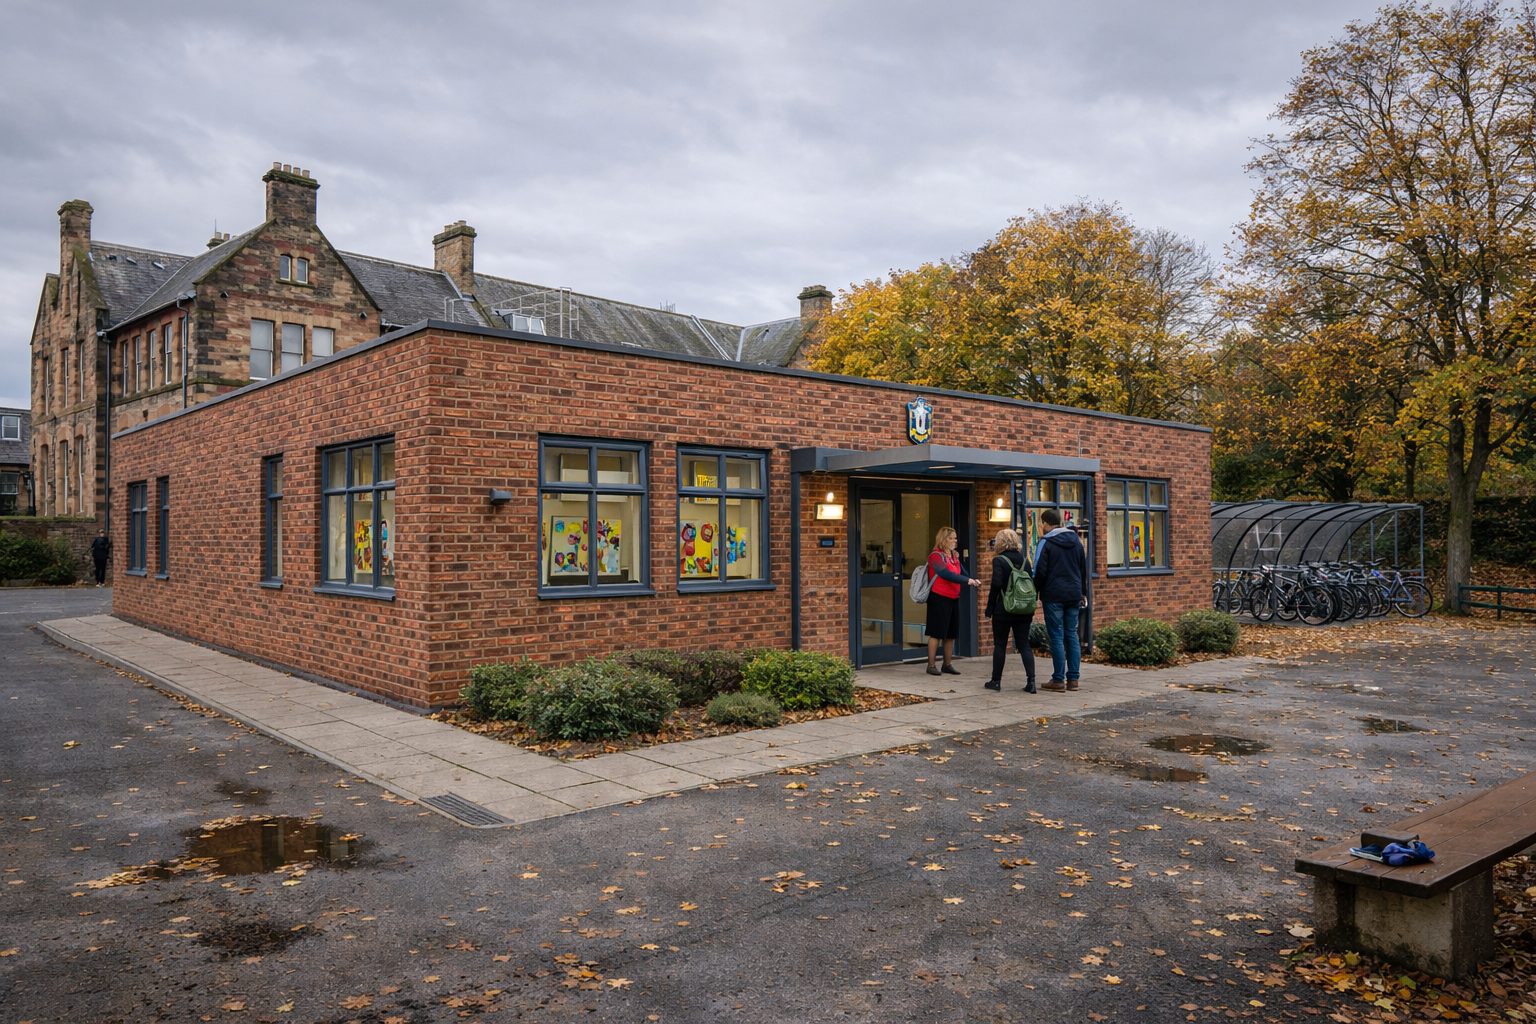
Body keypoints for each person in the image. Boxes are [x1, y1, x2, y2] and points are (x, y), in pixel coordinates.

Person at [1033, 508, 1087, 692]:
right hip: (1073, 594)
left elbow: (1039, 570)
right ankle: (1073, 680)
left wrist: (1035, 591)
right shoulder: (1076, 541)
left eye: (1041, 524)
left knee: (1056, 635)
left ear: (1046, 524)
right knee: (1071, 634)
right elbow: (1083, 570)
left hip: (1053, 595)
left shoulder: (1046, 542)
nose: (1041, 527)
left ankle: (1058, 680)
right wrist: (1083, 592)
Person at [984, 527, 1037, 693]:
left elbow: (996, 584)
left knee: (1000, 644)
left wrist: (990, 607)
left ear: (1000, 543)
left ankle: (996, 681)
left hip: (1004, 608)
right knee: (1024, 644)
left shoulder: (999, 560)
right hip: (1024, 609)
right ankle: (1032, 682)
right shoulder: (1024, 561)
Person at [924, 526, 980, 676]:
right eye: (952, 538)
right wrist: (967, 580)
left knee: (951, 633)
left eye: (955, 538)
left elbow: (962, 572)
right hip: (938, 598)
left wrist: (973, 580)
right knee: (936, 632)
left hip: (953, 597)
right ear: (943, 539)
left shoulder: (954, 555)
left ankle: (947, 664)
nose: (955, 541)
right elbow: (944, 573)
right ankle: (931, 665)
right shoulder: (935, 556)